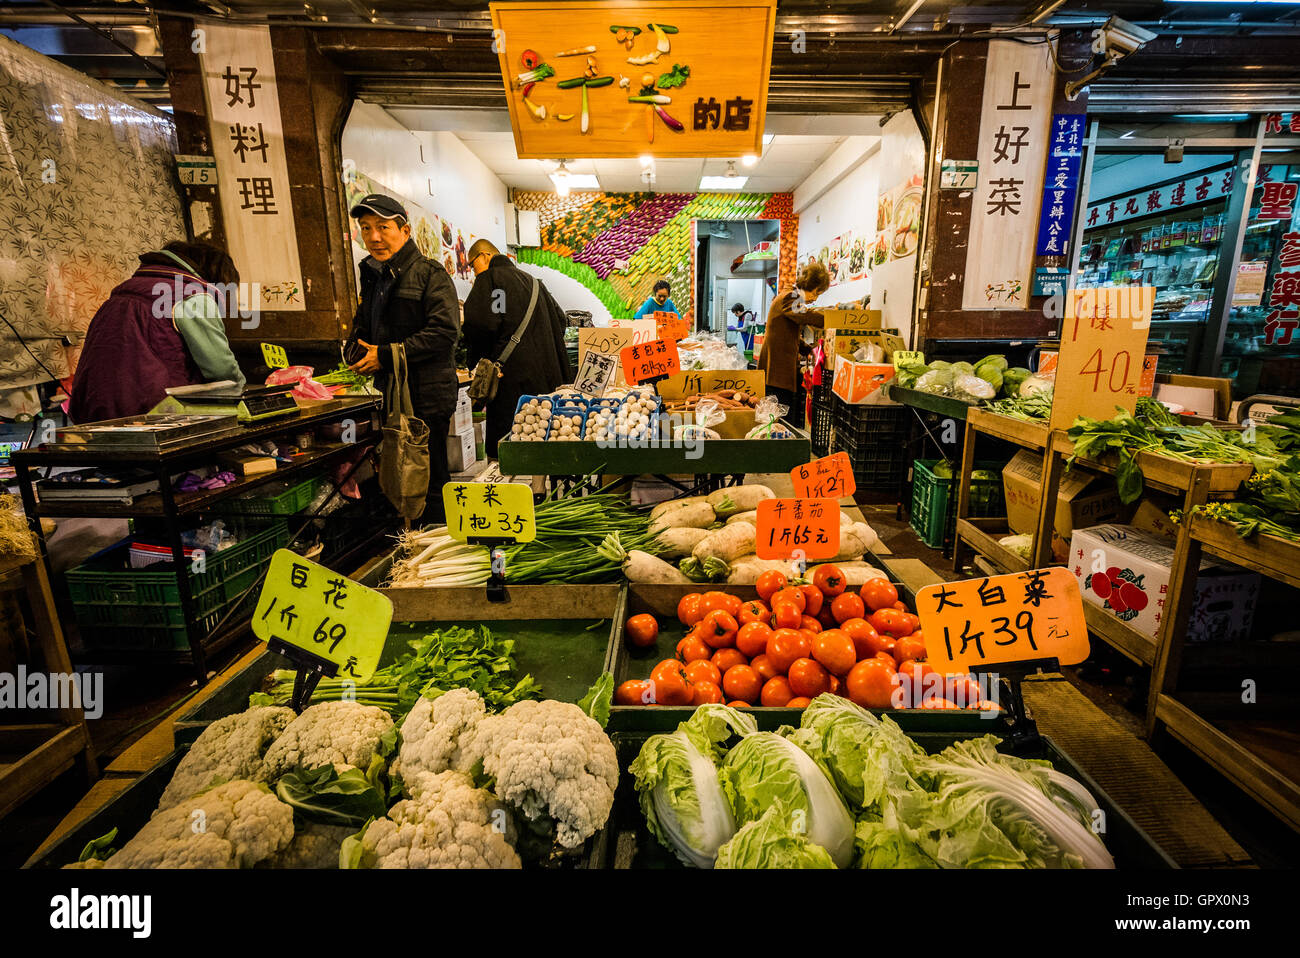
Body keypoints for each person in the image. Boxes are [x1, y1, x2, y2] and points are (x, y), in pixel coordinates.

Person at [345, 193, 460, 524]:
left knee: (429, 474)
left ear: (405, 231)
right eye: (366, 229)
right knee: (402, 468)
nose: (374, 237)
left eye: (383, 227)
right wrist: (356, 349)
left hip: (426, 395)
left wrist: (384, 355)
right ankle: (414, 533)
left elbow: (443, 334)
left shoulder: (429, 274)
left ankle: (438, 544)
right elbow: (365, 328)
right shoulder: (375, 277)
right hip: (391, 393)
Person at [69, 241, 245, 423]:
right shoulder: (190, 296)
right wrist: (244, 393)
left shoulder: (121, 295)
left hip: (91, 411)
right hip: (155, 414)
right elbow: (220, 367)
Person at [462, 239, 572, 456]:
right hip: (547, 377)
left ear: (485, 256)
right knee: (544, 436)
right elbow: (561, 320)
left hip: (511, 379)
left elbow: (487, 323)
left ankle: (512, 486)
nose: (474, 272)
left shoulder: (494, 280)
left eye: (473, 265)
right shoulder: (535, 283)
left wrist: (477, 358)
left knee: (511, 443)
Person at [756, 261, 830, 429]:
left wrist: (809, 350)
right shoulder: (790, 298)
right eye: (817, 292)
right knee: (780, 420)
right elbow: (806, 316)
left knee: (779, 418)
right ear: (811, 286)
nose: (816, 298)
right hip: (777, 372)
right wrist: (834, 320)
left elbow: (789, 335)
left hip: (777, 371)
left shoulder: (788, 296)